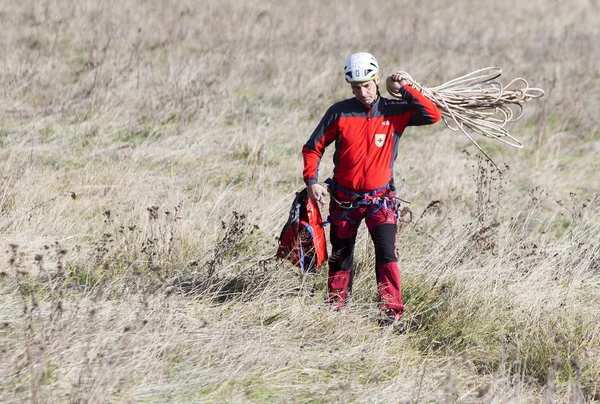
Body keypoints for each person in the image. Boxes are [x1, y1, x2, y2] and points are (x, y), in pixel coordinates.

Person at [302, 52, 441, 323]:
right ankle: (336, 310)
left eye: (367, 85)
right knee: (341, 256)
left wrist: (405, 88)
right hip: (344, 199)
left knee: (387, 253)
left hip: (381, 199)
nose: (362, 92)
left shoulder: (395, 111)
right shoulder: (339, 112)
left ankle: (392, 313)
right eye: (356, 87)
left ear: (377, 80)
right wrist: (311, 181)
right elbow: (312, 147)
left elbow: (433, 115)